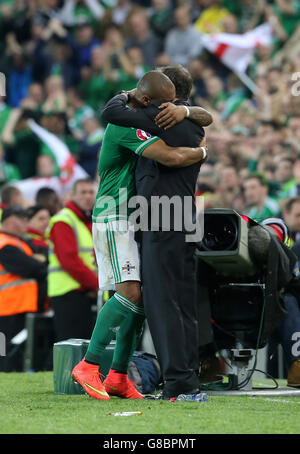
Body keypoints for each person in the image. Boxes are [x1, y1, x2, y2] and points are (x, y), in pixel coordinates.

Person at [72, 70, 207, 401]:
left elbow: (200, 116)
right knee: (131, 293)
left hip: (131, 216)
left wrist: (187, 113)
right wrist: (203, 152)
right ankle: (88, 365)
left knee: (143, 298)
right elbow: (171, 156)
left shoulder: (142, 115)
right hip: (113, 214)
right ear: (149, 98)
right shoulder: (124, 125)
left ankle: (118, 375)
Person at [47, 178, 98, 343]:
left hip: (82, 291)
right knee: (71, 345)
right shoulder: (63, 220)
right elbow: (70, 261)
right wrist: (97, 284)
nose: (88, 196)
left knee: (80, 344)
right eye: (83, 192)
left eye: (91, 192)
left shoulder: (87, 220)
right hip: (68, 292)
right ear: (72, 196)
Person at [0, 206, 48, 371]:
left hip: (16, 305)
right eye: (24, 219)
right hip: (9, 306)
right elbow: (34, 268)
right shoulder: (5, 243)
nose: (27, 223)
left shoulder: (17, 242)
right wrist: (38, 262)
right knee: (7, 349)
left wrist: (38, 262)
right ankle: (6, 372)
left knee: (11, 348)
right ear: (12, 220)